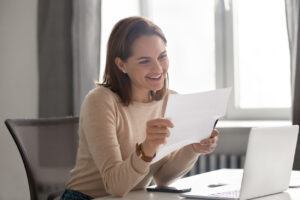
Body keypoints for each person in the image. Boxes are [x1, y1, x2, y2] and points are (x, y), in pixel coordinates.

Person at [61, 16, 219, 200]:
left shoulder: (170, 100)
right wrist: (147, 148)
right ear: (121, 65)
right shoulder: (101, 101)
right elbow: (115, 186)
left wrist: (193, 147)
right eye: (145, 61)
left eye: (162, 56)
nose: (158, 68)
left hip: (135, 196)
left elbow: (163, 178)